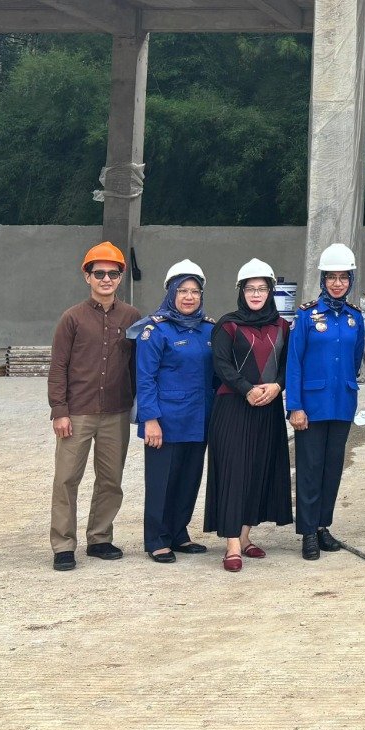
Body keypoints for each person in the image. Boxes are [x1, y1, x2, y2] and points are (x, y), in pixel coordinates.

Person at [47, 242, 141, 572]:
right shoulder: (71, 318)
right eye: (98, 273)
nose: (105, 279)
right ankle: (63, 544)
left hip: (115, 412)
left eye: (112, 274)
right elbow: (58, 366)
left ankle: (100, 538)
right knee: (66, 479)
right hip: (78, 412)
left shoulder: (132, 317)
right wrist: (59, 410)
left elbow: (138, 364)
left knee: (110, 480)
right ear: (87, 276)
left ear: (120, 277)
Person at [206, 259, 293, 572]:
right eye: (250, 288)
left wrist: (278, 385)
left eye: (262, 288)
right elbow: (221, 365)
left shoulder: (282, 326)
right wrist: (247, 389)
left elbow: (287, 365)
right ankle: (231, 546)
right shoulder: (227, 325)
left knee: (257, 470)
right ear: (240, 291)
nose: (256, 294)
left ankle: (244, 537)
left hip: (267, 408)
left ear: (270, 291)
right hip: (233, 406)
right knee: (234, 472)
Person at [130, 260, 215, 564]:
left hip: (199, 418)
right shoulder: (155, 331)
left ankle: (179, 533)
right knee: (161, 482)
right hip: (164, 421)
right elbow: (145, 378)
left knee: (189, 479)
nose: (189, 297)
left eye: (195, 291)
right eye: (183, 291)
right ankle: (157, 539)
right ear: (171, 293)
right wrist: (149, 419)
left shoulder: (208, 329)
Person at [287, 243, 365, 561]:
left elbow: (356, 356)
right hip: (312, 405)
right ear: (323, 280)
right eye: (331, 277)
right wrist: (295, 406)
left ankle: (323, 526)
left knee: (332, 467)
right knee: (309, 467)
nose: (337, 283)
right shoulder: (307, 316)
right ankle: (307, 531)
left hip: (342, 403)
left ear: (350, 280)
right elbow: (294, 362)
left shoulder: (354, 319)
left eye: (343, 277)